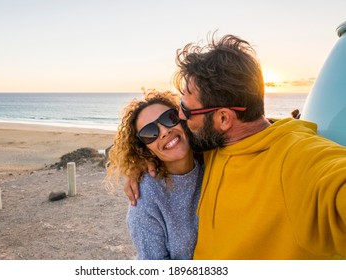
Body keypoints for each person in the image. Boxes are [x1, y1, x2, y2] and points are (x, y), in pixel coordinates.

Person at [125, 33, 346, 259]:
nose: (180, 116)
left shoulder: (298, 160)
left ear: (223, 119)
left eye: (185, 110)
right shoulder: (212, 145)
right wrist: (140, 164)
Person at [106, 90, 204, 259]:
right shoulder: (145, 196)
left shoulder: (212, 159)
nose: (164, 131)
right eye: (150, 132)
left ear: (182, 118)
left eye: (169, 118)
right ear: (146, 150)